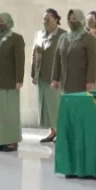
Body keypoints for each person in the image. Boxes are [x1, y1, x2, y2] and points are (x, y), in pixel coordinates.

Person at [0, 12, 25, 152]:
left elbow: (20, 60)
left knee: (10, 112)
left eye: (2, 21)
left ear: (8, 22)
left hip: (10, 81)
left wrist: (19, 79)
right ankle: (2, 140)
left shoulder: (16, 38)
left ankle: (12, 141)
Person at [32, 8, 65, 143]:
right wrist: (33, 74)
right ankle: (52, 131)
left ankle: (62, 133)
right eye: (44, 19)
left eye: (48, 19)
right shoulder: (39, 34)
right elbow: (34, 54)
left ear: (56, 20)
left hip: (55, 78)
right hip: (41, 75)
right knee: (45, 106)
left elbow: (65, 57)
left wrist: (60, 77)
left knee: (56, 106)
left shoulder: (63, 35)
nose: (45, 22)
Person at [52, 9, 96, 96]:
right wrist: (55, 78)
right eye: (69, 19)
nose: (71, 21)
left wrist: (90, 81)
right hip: (65, 82)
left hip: (81, 83)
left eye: (74, 19)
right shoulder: (63, 38)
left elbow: (92, 62)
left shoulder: (89, 39)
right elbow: (57, 58)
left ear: (81, 20)